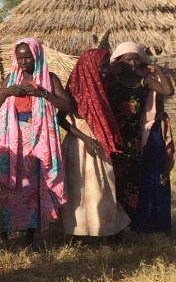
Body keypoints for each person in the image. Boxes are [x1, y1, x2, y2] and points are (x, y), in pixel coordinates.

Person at [0, 38, 74, 249]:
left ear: (37, 55)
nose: (25, 61)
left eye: (28, 56)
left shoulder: (49, 79)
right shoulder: (11, 80)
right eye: (20, 57)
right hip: (14, 142)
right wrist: (7, 91)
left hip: (39, 140)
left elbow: (68, 106)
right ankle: (9, 231)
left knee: (35, 187)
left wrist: (43, 94)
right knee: (14, 185)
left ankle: (31, 233)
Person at [57, 49, 130, 243]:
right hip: (80, 145)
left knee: (103, 187)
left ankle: (105, 231)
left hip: (98, 143)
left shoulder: (102, 86)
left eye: (106, 66)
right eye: (102, 66)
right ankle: (78, 233)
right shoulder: (74, 89)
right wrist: (85, 139)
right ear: (89, 66)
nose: (105, 70)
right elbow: (60, 120)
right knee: (79, 191)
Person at [107, 42, 174, 234]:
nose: (134, 63)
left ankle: (135, 221)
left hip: (137, 135)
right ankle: (118, 222)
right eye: (128, 59)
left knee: (134, 179)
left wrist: (158, 70)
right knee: (118, 179)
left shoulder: (144, 81)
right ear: (119, 62)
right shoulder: (113, 81)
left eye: (137, 59)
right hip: (116, 134)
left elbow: (168, 91)